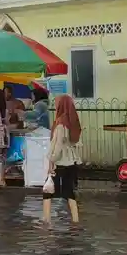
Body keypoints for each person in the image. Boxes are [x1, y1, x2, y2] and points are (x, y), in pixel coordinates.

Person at [44, 94, 83, 224]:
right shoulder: (73, 121)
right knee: (68, 191)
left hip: (60, 162)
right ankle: (76, 220)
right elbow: (77, 142)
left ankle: (47, 220)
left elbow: (58, 146)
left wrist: (51, 161)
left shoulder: (60, 123)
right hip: (71, 162)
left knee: (47, 191)